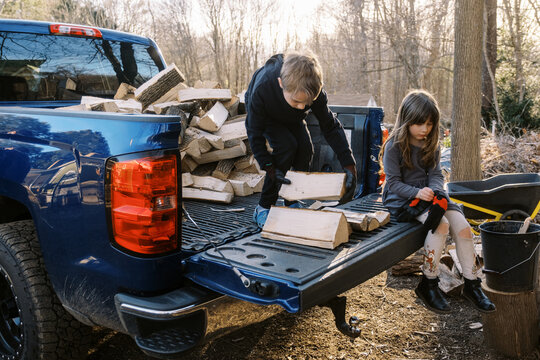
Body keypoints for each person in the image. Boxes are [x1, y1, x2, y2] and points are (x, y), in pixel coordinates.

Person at [380, 89, 495, 314]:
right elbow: (392, 183)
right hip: (403, 198)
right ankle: (429, 283)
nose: (425, 129)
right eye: (419, 124)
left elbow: (436, 175)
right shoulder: (394, 145)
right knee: (440, 224)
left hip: (432, 196)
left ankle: (472, 284)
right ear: (407, 120)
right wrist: (417, 193)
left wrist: (435, 191)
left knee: (463, 229)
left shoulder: (431, 144)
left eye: (430, 124)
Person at [245, 50, 356, 227]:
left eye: (307, 103)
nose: (302, 107)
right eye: (297, 101)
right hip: (267, 113)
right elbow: (254, 132)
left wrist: (349, 166)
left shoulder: (313, 91)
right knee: (286, 146)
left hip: (289, 116)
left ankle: (292, 200)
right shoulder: (263, 88)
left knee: (305, 149)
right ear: (281, 83)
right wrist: (269, 166)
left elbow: (331, 127)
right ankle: (264, 207)